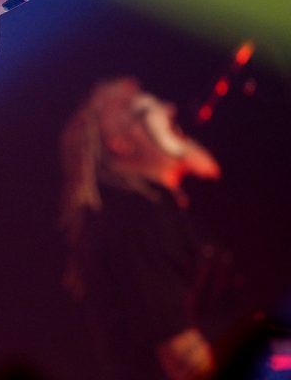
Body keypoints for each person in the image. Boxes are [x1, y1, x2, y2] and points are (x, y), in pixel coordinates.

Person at [59, 78, 228, 380]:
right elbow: (184, 358)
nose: (168, 109)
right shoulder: (135, 221)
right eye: (139, 110)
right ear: (121, 143)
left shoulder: (157, 207)